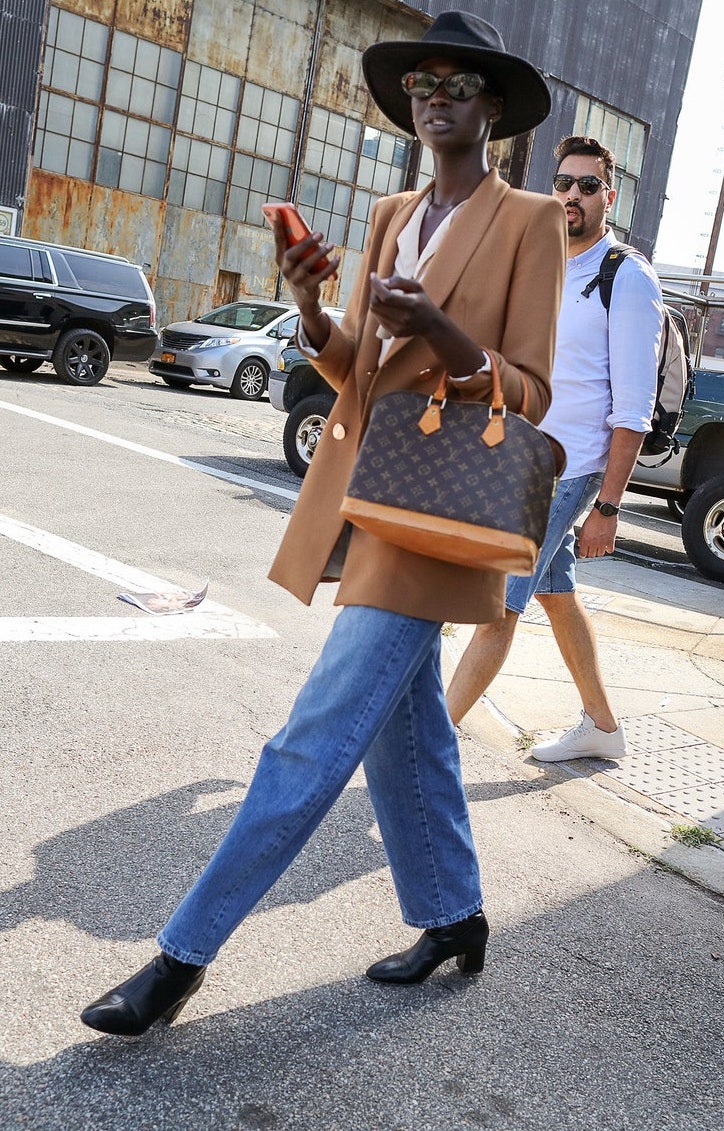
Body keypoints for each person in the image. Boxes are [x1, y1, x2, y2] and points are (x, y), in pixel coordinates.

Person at [80, 11, 566, 1038]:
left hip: (439, 518)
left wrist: (439, 330)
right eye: (421, 81)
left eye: (457, 83)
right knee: (406, 730)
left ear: (490, 110)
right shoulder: (392, 215)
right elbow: (359, 372)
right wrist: (311, 317)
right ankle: (453, 917)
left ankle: (178, 959)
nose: (435, 94)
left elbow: (525, 391)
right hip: (371, 494)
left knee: (311, 741)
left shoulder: (526, 220)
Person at [446, 135, 664, 762]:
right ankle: (601, 726)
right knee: (554, 593)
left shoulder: (625, 278)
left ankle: (423, 743)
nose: (572, 195)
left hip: (565, 471)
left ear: (609, 195)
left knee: (494, 610)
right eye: (563, 183)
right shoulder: (544, 264)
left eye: (587, 186)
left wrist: (609, 507)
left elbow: (633, 410)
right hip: (513, 459)